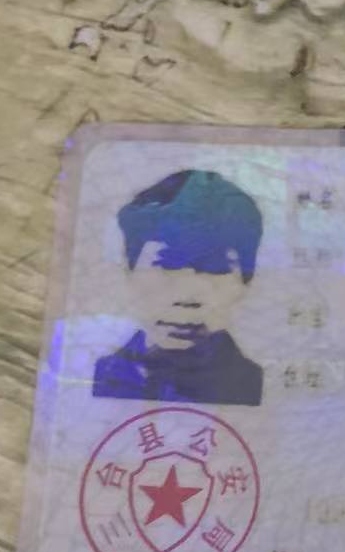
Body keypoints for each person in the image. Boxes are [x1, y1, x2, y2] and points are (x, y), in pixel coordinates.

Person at [92, 169, 264, 406]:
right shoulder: (99, 378)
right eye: (165, 264)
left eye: (216, 268)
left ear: (246, 282)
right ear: (129, 271)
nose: (187, 295)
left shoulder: (255, 385)